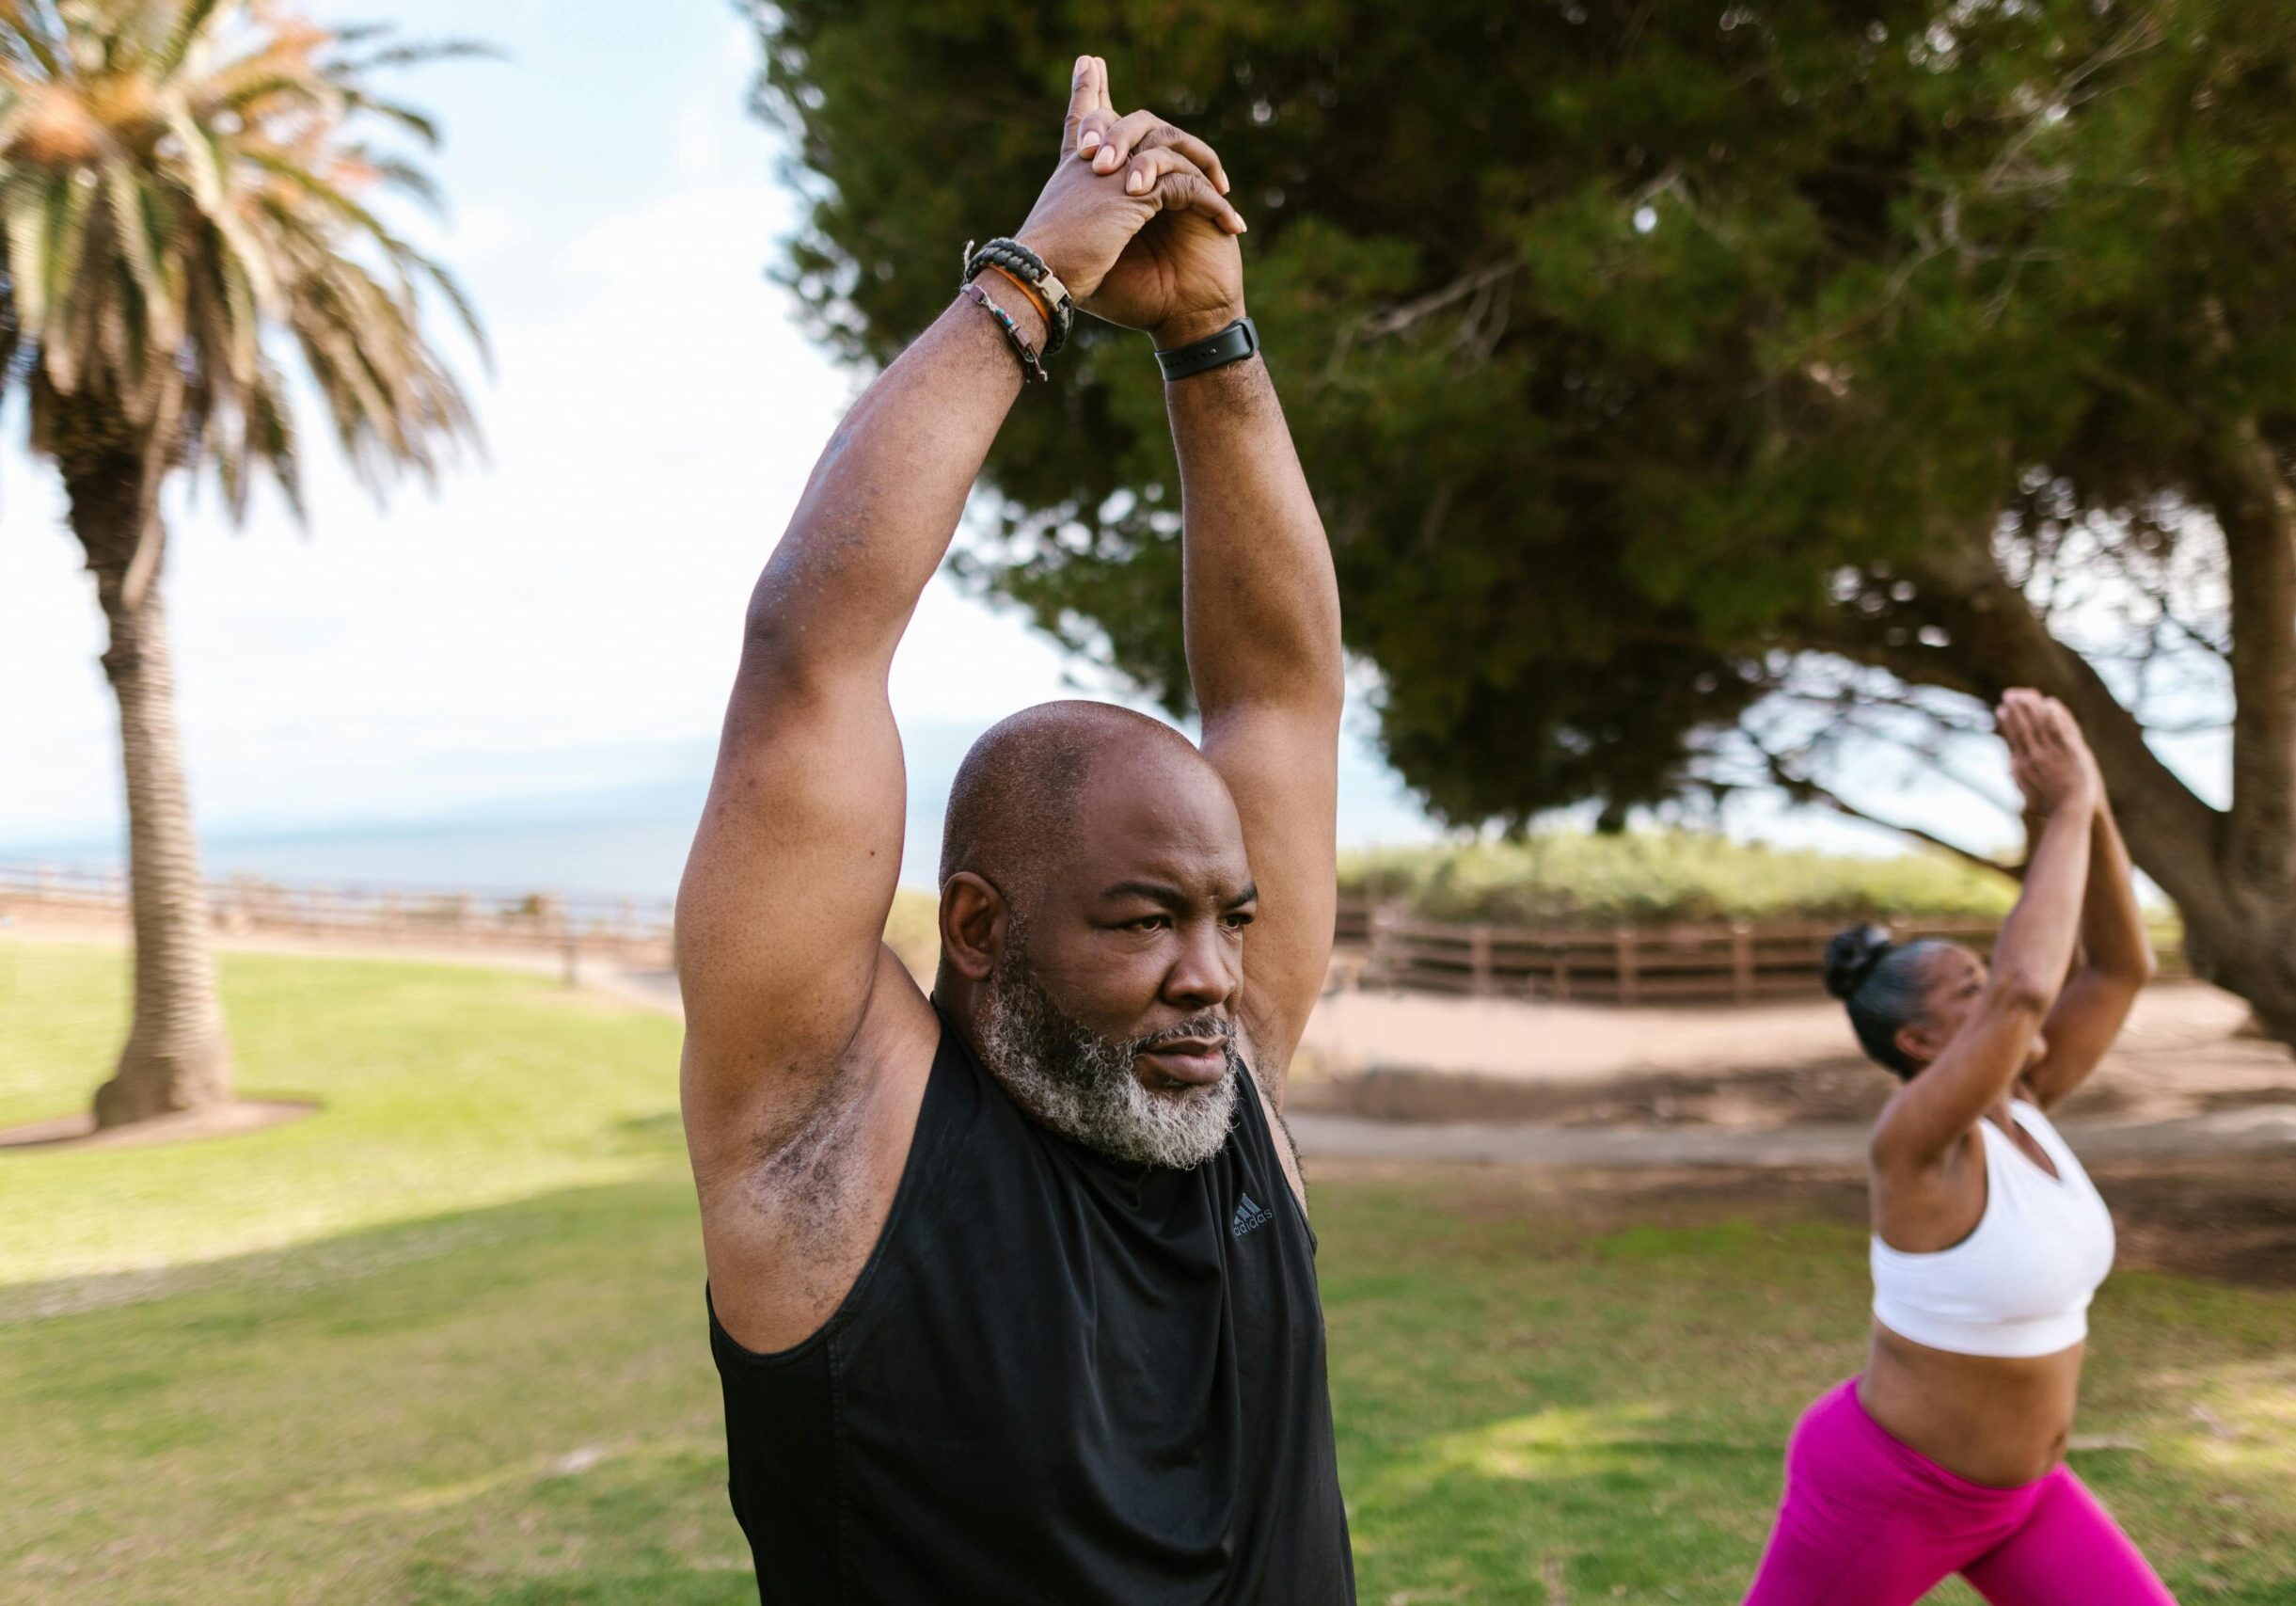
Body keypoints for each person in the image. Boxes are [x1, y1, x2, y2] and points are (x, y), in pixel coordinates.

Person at [674, 54, 1354, 1605]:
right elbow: (811, 656)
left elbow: (1281, 697)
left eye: (1227, 916)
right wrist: (1032, 278)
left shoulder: (1224, 1066)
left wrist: (1209, 338)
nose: (1212, 972)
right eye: (1139, 919)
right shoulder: (826, 1149)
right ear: (975, 928)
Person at [1743, 691, 2174, 1604]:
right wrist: (2061, 808)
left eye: (1981, 981)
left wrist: (2088, 807)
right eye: (1962, 996)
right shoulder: (1911, 1147)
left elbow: (2118, 966)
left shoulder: (2025, 1102)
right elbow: (2023, 988)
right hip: (1891, 1492)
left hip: (2025, 1495)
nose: (1994, 1001)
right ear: (1919, 1046)